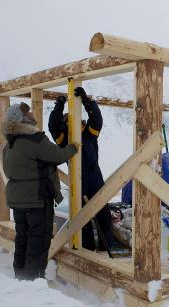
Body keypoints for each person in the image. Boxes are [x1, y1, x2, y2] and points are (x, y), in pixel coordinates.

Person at [1, 102, 79, 280]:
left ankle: (20, 274)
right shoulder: (34, 139)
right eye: (27, 113)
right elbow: (57, 155)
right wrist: (73, 147)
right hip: (36, 199)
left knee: (23, 237)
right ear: (20, 119)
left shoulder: (10, 143)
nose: (30, 114)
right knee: (39, 238)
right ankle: (33, 278)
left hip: (17, 199)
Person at [49, 87, 115, 251]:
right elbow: (53, 126)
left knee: (104, 218)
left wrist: (87, 101)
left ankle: (107, 250)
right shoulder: (64, 138)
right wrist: (59, 107)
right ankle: (87, 251)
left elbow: (97, 120)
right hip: (77, 186)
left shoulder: (89, 134)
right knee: (82, 223)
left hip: (96, 182)